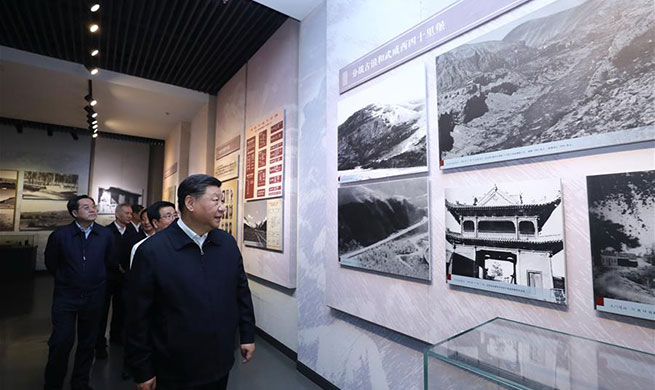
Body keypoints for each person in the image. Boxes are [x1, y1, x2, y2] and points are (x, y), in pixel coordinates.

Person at [126, 174, 255, 390]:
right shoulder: (153, 251)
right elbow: (138, 315)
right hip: (174, 368)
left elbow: (241, 292)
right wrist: (142, 368)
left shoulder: (226, 244)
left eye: (222, 201)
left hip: (220, 362)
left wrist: (247, 335)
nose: (223, 208)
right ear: (190, 203)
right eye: (216, 200)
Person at [43, 195, 114, 390]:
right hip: (66, 296)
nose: (92, 209)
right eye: (86, 207)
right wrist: (67, 279)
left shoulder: (105, 235)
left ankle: (80, 383)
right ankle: (53, 384)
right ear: (75, 213)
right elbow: (52, 263)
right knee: (61, 341)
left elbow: (109, 262)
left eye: (93, 206)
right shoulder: (60, 236)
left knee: (88, 342)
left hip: (94, 296)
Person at [95, 203, 137, 357]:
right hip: (107, 276)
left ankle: (116, 337)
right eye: (126, 213)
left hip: (125, 277)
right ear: (117, 215)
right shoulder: (106, 232)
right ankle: (99, 343)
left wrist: (126, 268)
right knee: (103, 311)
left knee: (121, 308)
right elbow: (102, 253)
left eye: (131, 213)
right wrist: (115, 266)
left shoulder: (132, 231)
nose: (129, 216)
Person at [129, 201, 176, 269]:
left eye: (175, 215)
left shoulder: (186, 243)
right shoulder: (142, 248)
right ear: (155, 223)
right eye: (168, 216)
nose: (174, 219)